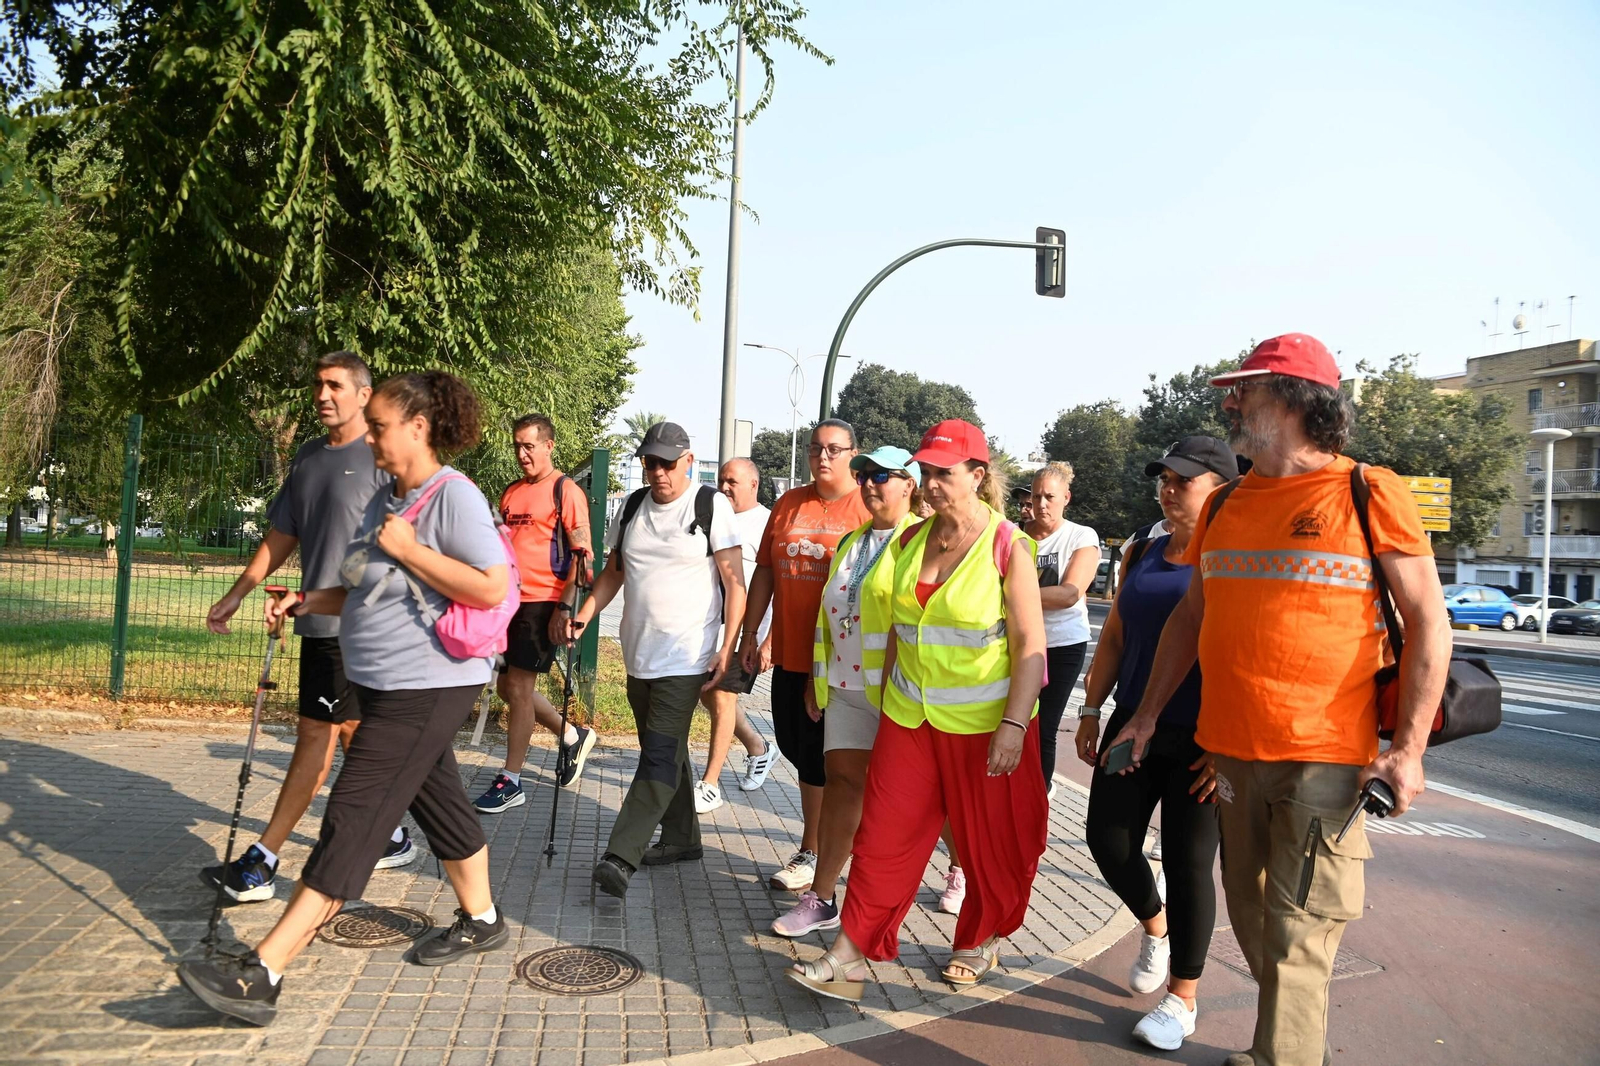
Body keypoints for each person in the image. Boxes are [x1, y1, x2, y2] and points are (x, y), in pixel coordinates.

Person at [1107, 335, 1449, 1066]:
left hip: (1326, 757)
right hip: (1231, 752)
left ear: (1298, 402)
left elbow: (1428, 622)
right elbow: (1191, 619)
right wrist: (1143, 715)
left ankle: (1280, 1059)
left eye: (1248, 390)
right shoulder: (1228, 500)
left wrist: (1408, 752)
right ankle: (1294, 1047)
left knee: (1302, 926)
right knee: (1259, 918)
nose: (1232, 403)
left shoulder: (1369, 491)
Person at [179, 371, 515, 1025]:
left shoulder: (453, 498)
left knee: (354, 819)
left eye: (381, 426)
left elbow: (490, 588)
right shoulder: (387, 499)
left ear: (418, 428)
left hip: (430, 684)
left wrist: (413, 552)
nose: (372, 439)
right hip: (383, 680)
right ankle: (482, 918)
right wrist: (309, 600)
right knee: (438, 797)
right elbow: (361, 585)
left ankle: (263, 972)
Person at [790, 419, 1047, 1000]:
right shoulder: (908, 542)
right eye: (925, 472)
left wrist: (1013, 723)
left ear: (978, 477)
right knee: (883, 834)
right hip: (909, 719)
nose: (930, 484)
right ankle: (849, 955)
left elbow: (1032, 647)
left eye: (943, 474)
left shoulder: (1008, 545)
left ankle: (978, 938)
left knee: (988, 843)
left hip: (986, 727)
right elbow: (879, 627)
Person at [200, 352, 413, 903]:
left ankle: (264, 861)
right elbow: (281, 536)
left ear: (364, 394)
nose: (322, 395)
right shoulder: (309, 457)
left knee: (317, 739)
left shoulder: (385, 458)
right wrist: (238, 593)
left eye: (334, 385)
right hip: (318, 624)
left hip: (368, 628)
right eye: (318, 384)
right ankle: (393, 832)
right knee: (352, 734)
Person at [1076, 436, 1237, 1052]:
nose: (1170, 490)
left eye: (1184, 480)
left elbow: (1249, 654)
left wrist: (1228, 743)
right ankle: (1154, 924)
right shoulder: (1141, 549)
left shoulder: (1237, 557)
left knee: (1190, 863)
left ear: (1219, 488)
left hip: (1207, 739)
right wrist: (1093, 708)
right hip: (1135, 721)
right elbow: (1115, 635)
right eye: (1164, 479)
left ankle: (1182, 999)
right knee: (1107, 839)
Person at [570, 422, 745, 898]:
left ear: (688, 460)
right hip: (637, 654)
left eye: (668, 463)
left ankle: (620, 855)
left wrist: (726, 647)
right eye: (651, 462)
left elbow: (735, 584)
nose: (659, 472)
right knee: (664, 751)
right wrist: (585, 615)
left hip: (688, 656)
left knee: (659, 755)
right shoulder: (630, 507)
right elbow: (615, 572)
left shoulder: (710, 505)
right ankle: (683, 839)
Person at [771, 447, 920, 937]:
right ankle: (824, 898)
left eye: (882, 476)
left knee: (905, 801)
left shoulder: (920, 541)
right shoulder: (854, 540)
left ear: (910, 484)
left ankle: (953, 870)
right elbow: (826, 617)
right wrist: (819, 680)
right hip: (845, 687)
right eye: (865, 475)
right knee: (842, 789)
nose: (870, 483)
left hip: (898, 695)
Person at [740, 419, 871, 892]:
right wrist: (751, 634)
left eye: (835, 449)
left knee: (825, 762)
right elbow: (765, 573)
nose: (823, 457)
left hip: (840, 664)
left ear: (853, 454)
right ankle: (830, 844)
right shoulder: (790, 502)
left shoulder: (866, 505)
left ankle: (814, 851)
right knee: (798, 751)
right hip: (792, 656)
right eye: (816, 448)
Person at [473, 413, 598, 814]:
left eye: (529, 445)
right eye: (517, 446)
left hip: (543, 602)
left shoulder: (566, 490)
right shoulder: (511, 493)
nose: (522, 454)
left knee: (520, 690)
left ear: (549, 445)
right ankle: (571, 735)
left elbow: (582, 556)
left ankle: (512, 780)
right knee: (509, 689)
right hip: (506, 601)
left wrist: (564, 607)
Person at [693, 458, 777, 813]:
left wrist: (764, 637)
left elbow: (776, 581)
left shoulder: (767, 522)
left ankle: (710, 784)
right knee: (707, 694)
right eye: (721, 481)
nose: (724, 487)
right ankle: (759, 747)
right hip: (706, 626)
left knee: (723, 697)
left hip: (744, 633)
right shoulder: (710, 516)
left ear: (753, 485)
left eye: (732, 482)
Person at [1025, 461, 1101, 798]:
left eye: (1050, 497)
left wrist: (1008, 593)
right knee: (1009, 723)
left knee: (1043, 727)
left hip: (1062, 645)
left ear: (1066, 498)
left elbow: (1070, 594)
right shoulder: (1012, 535)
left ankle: (1038, 798)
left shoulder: (1080, 536)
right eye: (1036, 496)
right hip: (1018, 641)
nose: (1042, 504)